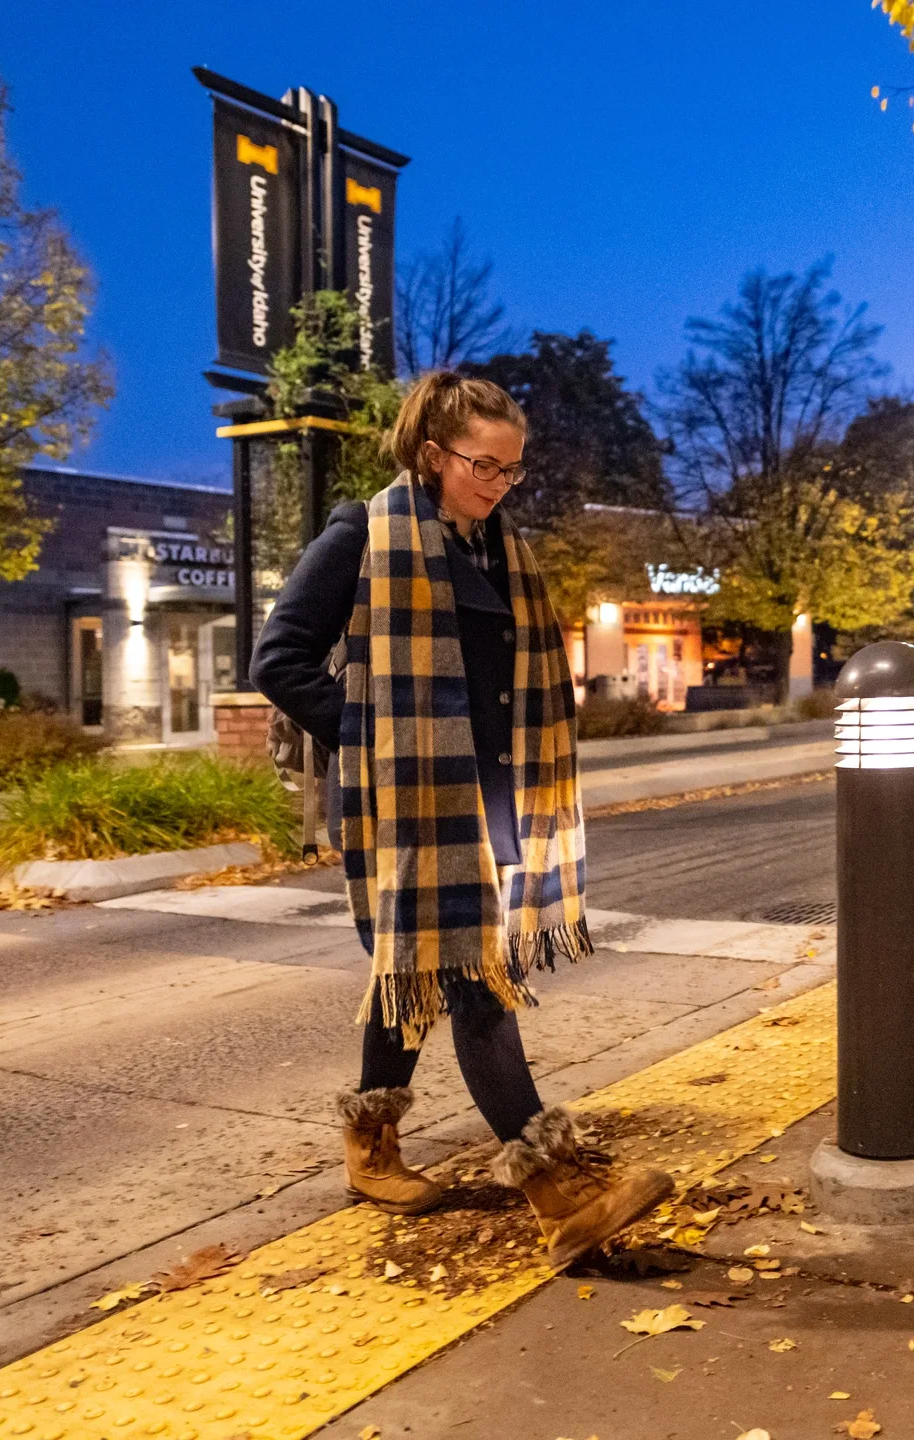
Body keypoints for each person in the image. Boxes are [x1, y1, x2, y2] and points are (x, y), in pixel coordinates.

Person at [253, 370, 670, 1270]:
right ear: (432, 454)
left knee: (413, 974)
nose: (500, 484)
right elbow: (278, 659)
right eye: (486, 466)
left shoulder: (497, 551)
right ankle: (560, 1190)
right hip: (406, 807)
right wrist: (371, 737)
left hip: (490, 798)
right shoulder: (362, 534)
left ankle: (370, 1150)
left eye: (513, 471)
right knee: (478, 981)